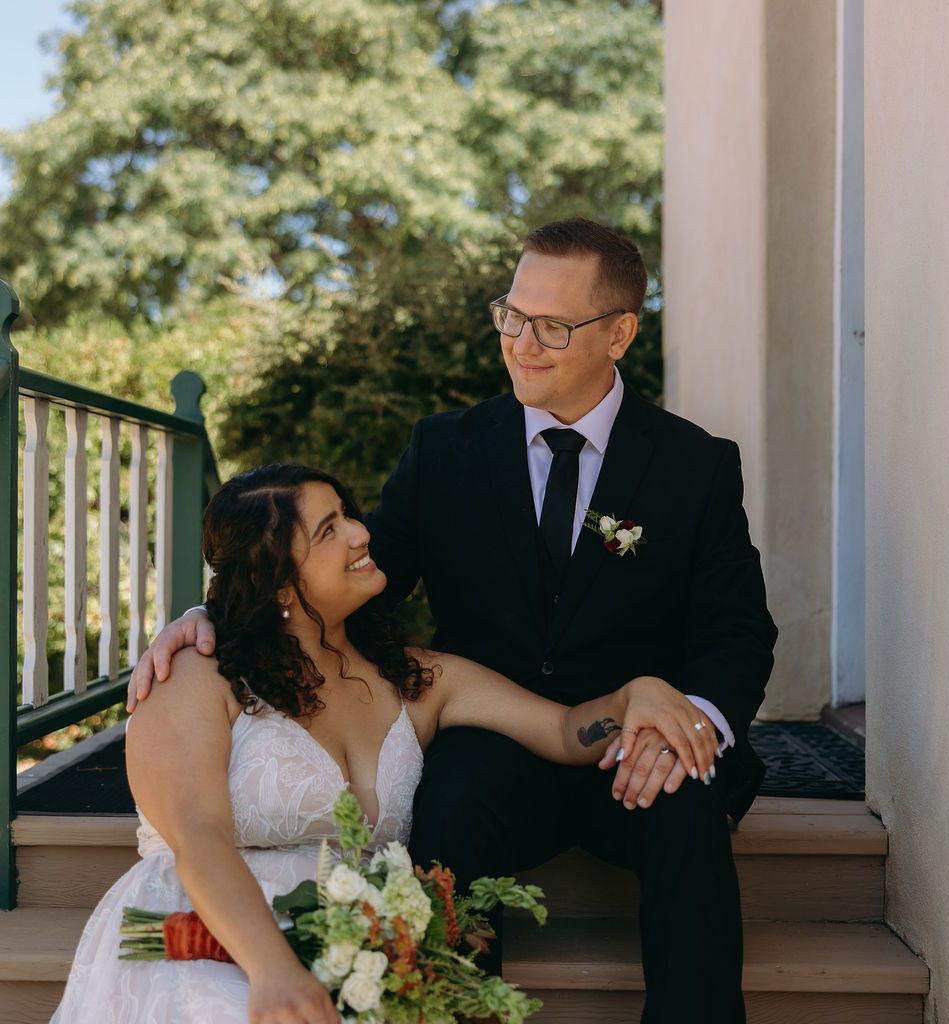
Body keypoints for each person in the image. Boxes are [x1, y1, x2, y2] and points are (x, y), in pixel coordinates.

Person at [129, 217, 779, 1023]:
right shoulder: (445, 449)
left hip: (633, 738)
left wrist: (693, 722)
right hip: (491, 739)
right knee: (450, 812)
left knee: (688, 807)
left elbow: (738, 631)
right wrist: (219, 612)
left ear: (619, 334)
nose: (522, 344)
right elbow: (356, 575)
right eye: (512, 315)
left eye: (552, 326)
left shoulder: (695, 464)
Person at [52, 464, 709, 1024]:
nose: (361, 533)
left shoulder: (416, 678)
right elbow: (199, 836)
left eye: (348, 514)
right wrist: (274, 971)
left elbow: (564, 731)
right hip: (200, 935)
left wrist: (633, 700)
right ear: (278, 581)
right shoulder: (198, 672)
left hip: (359, 952)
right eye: (329, 530)